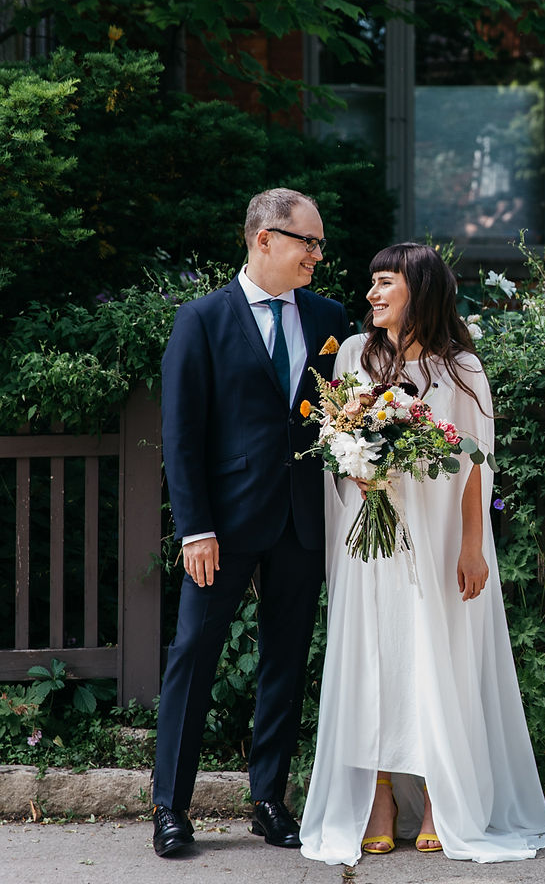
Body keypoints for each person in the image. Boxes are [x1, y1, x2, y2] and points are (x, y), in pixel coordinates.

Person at [299, 243, 545, 865]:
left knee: (433, 657)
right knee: (371, 659)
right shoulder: (352, 355)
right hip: (369, 539)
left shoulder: (461, 369)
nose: (372, 294)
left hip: (439, 536)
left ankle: (433, 795)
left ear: (419, 289)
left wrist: (474, 545)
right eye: (370, 283)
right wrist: (358, 460)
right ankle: (377, 800)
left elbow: (476, 464)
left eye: (384, 283)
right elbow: (335, 439)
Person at [152, 189, 350, 858]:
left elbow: (342, 417)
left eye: (320, 244)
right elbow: (182, 435)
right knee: (193, 657)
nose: (318, 255)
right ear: (265, 239)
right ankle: (171, 808)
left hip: (301, 520)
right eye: (308, 242)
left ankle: (269, 801)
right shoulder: (201, 320)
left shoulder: (329, 318)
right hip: (225, 527)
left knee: (285, 663)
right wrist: (195, 528)